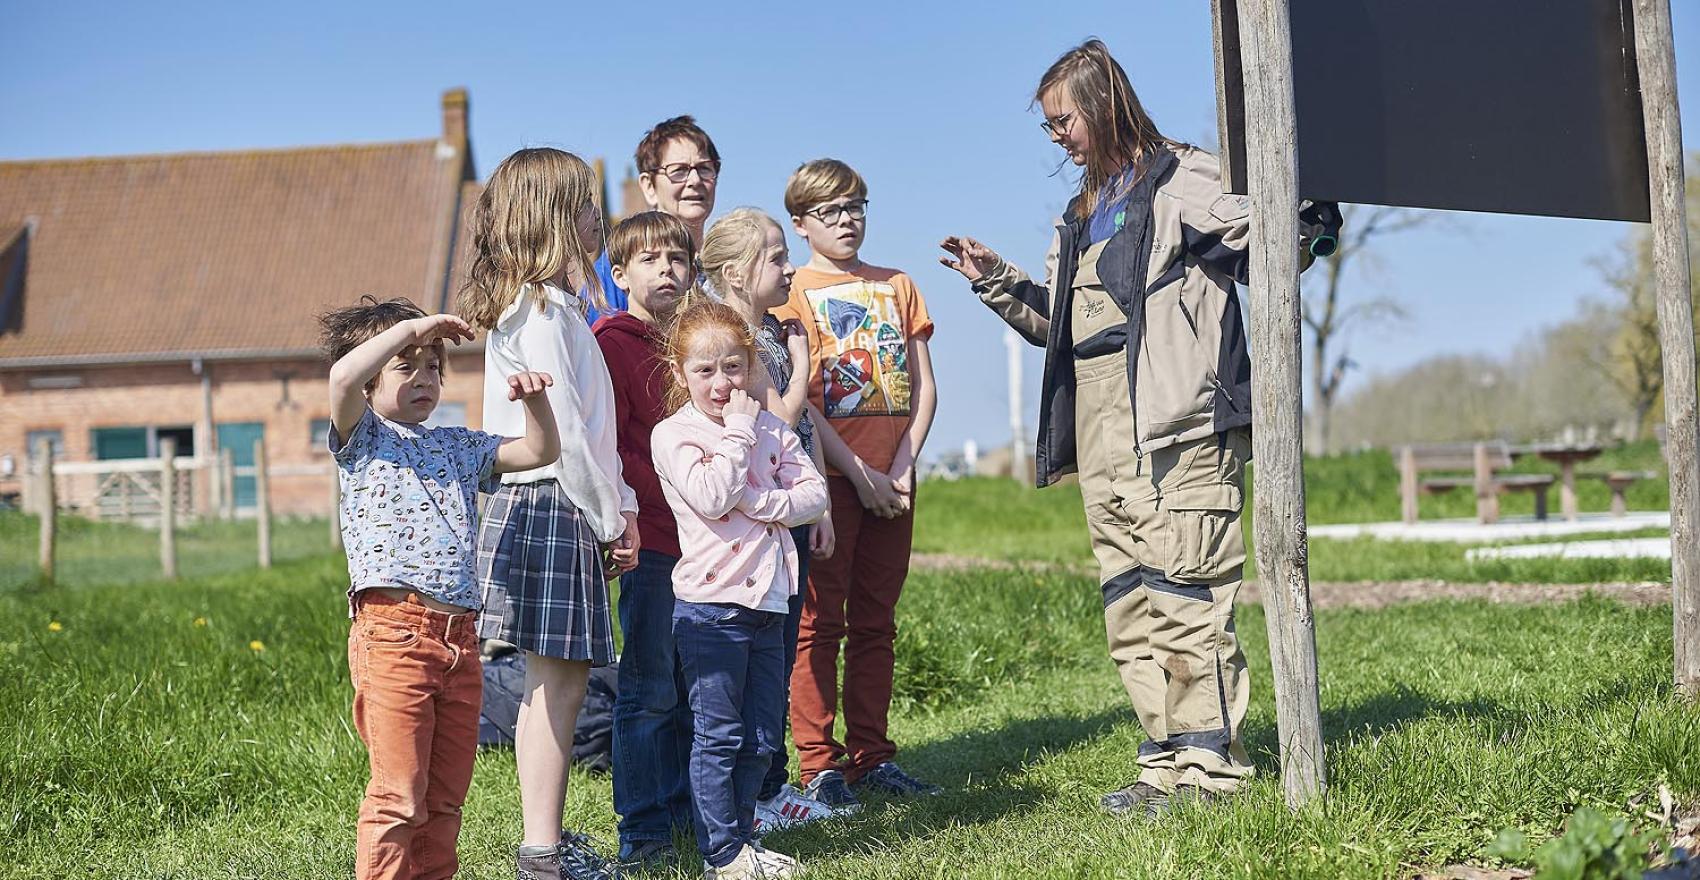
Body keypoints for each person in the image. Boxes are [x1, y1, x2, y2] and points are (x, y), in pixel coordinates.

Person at [938, 38, 1331, 819]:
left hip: (1174, 424)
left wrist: (1314, 216)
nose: (1057, 137)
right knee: (1131, 602)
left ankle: (1211, 771)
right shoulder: (1080, 212)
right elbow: (1062, 325)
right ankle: (1164, 764)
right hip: (1103, 429)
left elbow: (1283, 230)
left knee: (1186, 592)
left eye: (1064, 121)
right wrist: (995, 282)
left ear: (1103, 101)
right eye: (1048, 128)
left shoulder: (1184, 177)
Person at [320, 295, 561, 880]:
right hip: (394, 635)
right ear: (375, 378)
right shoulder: (363, 438)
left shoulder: (456, 444)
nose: (425, 377)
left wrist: (536, 405)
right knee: (399, 795)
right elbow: (342, 375)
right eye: (407, 366)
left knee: (445, 797)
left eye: (433, 365)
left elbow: (539, 450)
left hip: (461, 640)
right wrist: (414, 327)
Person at [458, 147, 640, 880]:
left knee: (551, 684)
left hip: (549, 505)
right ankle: (543, 852)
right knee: (557, 686)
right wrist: (611, 518)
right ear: (556, 217)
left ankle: (545, 847)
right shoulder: (538, 316)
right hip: (555, 504)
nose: (601, 218)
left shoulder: (549, 309)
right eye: (589, 206)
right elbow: (565, 435)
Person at [774, 159, 940, 809]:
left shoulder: (898, 285)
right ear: (801, 224)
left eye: (856, 207)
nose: (847, 221)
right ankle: (819, 763)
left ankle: (873, 756)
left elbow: (924, 386)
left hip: (895, 482)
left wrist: (900, 467)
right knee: (819, 624)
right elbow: (802, 401)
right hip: (832, 484)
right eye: (831, 211)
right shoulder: (793, 294)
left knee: (877, 622)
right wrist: (858, 473)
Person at [652, 300, 828, 880]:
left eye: (732, 367)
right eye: (704, 371)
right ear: (681, 375)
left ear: (751, 366)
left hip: (769, 604)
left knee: (759, 738)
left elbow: (813, 496)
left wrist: (764, 504)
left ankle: (743, 835)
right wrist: (739, 434)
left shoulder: (772, 428)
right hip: (710, 610)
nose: (721, 383)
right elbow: (710, 494)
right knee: (719, 736)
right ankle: (722, 854)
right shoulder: (674, 434)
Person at [697, 208, 843, 832]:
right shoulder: (735, 344)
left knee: (777, 658)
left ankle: (767, 788)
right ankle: (754, 797)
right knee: (757, 666)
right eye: (777, 258)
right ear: (735, 272)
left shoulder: (767, 335)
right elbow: (778, 421)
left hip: (787, 516)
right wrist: (805, 355)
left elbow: (798, 437)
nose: (789, 269)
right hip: (749, 529)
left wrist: (824, 503)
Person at [592, 211, 697, 868]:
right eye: (650, 259)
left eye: (677, 260)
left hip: (709, 546)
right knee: (651, 685)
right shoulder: (612, 342)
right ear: (621, 273)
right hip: (654, 538)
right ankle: (644, 826)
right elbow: (614, 445)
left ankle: (692, 809)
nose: (666, 269)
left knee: (694, 683)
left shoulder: (699, 341)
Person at [584, 116, 723, 325]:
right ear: (649, 186)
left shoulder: (724, 266)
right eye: (679, 171)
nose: (695, 181)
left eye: (704, 168)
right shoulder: (618, 266)